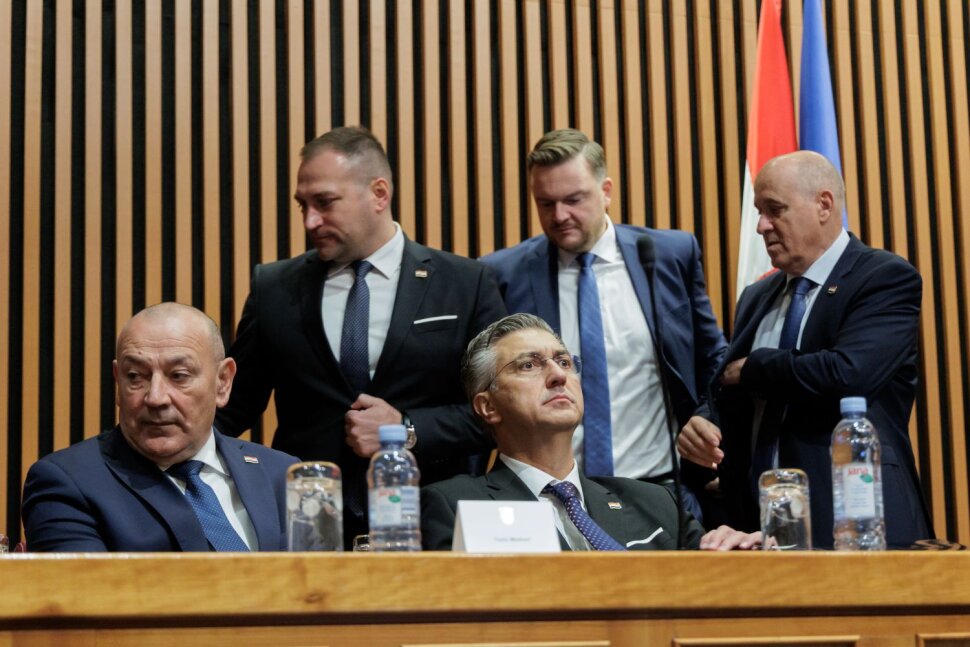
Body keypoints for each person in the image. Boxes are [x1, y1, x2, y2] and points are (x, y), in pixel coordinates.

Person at [216, 126, 507, 546]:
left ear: (379, 194)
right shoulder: (274, 288)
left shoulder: (465, 283)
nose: (310, 220)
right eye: (302, 205)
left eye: (324, 202)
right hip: (308, 528)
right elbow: (231, 407)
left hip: (431, 521)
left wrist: (407, 428)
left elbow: (501, 410)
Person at [679, 151, 932, 548]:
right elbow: (728, 385)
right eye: (759, 212)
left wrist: (755, 368)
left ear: (824, 205)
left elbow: (849, 374)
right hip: (757, 527)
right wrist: (702, 422)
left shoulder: (883, 277)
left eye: (775, 210)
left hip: (859, 520)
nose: (762, 225)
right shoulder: (756, 297)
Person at [479, 129, 727, 518]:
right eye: (546, 203)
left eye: (574, 200)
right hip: (551, 497)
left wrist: (704, 417)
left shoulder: (668, 256)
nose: (559, 216)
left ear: (606, 190)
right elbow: (488, 388)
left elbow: (714, 359)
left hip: (662, 491)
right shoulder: (503, 275)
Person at [421, 313, 759, 552]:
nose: (558, 376)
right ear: (487, 407)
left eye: (564, 362)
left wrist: (736, 553)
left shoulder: (657, 503)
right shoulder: (457, 506)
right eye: (529, 365)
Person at [21, 303, 299, 552]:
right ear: (118, 381)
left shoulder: (283, 475)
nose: (155, 398)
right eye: (135, 376)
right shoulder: (68, 483)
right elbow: (87, 593)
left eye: (179, 376)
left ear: (223, 382)